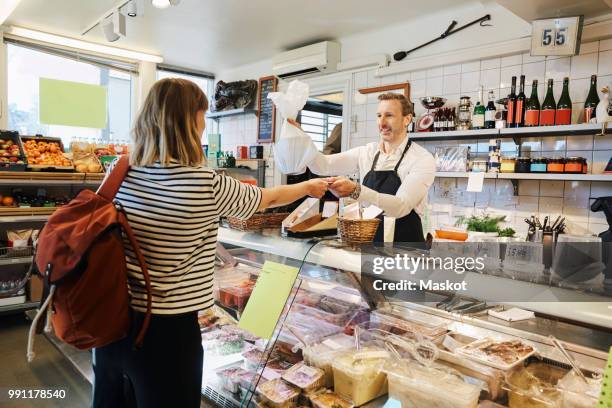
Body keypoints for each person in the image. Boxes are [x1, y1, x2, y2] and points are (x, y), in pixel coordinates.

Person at [91, 78, 328, 408]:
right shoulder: (204, 182)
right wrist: (308, 187)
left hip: (110, 322)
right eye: (201, 117)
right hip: (167, 332)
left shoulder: (120, 171)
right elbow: (267, 198)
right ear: (189, 121)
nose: (203, 126)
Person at [287, 92, 435, 244]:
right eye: (379, 116)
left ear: (407, 119)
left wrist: (355, 190)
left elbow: (401, 206)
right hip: (370, 244)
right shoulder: (367, 152)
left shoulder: (422, 159)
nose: (382, 123)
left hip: (407, 249)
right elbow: (323, 165)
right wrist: (301, 139)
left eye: (389, 115)